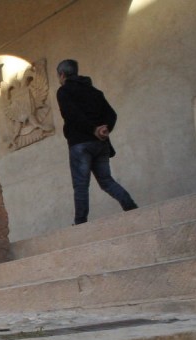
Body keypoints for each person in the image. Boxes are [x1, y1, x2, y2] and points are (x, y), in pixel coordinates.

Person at [56, 59, 137, 225]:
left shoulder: (64, 91)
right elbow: (111, 114)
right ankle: (130, 206)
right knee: (106, 181)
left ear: (62, 75)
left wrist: (93, 129)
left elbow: (72, 115)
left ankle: (80, 222)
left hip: (80, 144)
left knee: (80, 185)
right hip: (101, 143)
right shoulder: (95, 92)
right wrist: (104, 129)